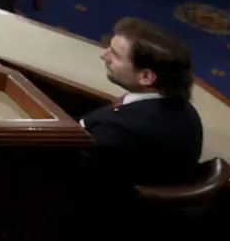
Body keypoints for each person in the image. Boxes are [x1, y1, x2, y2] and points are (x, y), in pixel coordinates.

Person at [82, 17, 205, 187]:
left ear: (146, 76)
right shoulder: (184, 108)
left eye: (115, 55)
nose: (104, 56)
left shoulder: (115, 131)